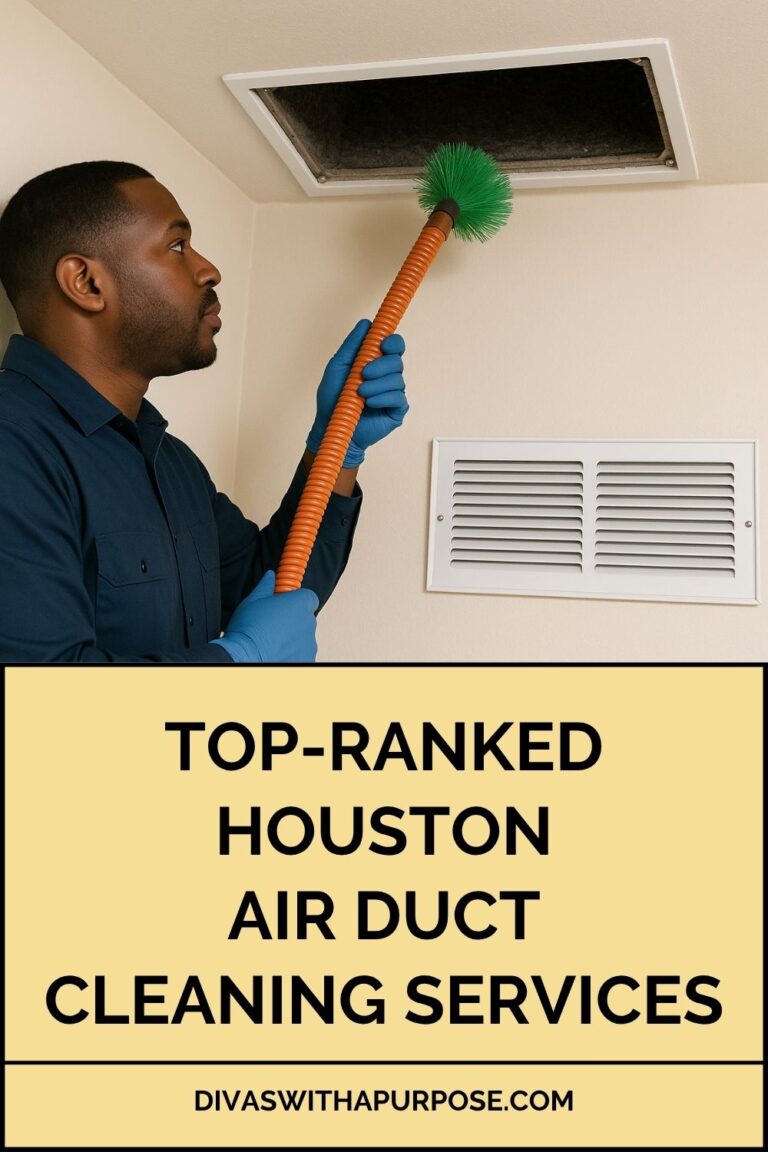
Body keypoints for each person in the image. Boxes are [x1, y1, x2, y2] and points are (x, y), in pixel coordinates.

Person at [0, 161, 408, 663]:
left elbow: (270, 586)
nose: (208, 269)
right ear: (85, 283)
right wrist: (237, 663)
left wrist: (335, 450)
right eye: (177, 246)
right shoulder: (13, 447)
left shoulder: (172, 464)